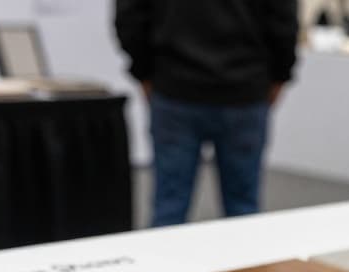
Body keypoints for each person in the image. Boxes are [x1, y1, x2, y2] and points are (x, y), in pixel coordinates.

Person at [115, 0, 298, 227]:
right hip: (238, 90)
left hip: (178, 87)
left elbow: (130, 17)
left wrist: (144, 72)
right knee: (242, 208)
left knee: (170, 207)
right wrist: (280, 75)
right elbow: (283, 22)